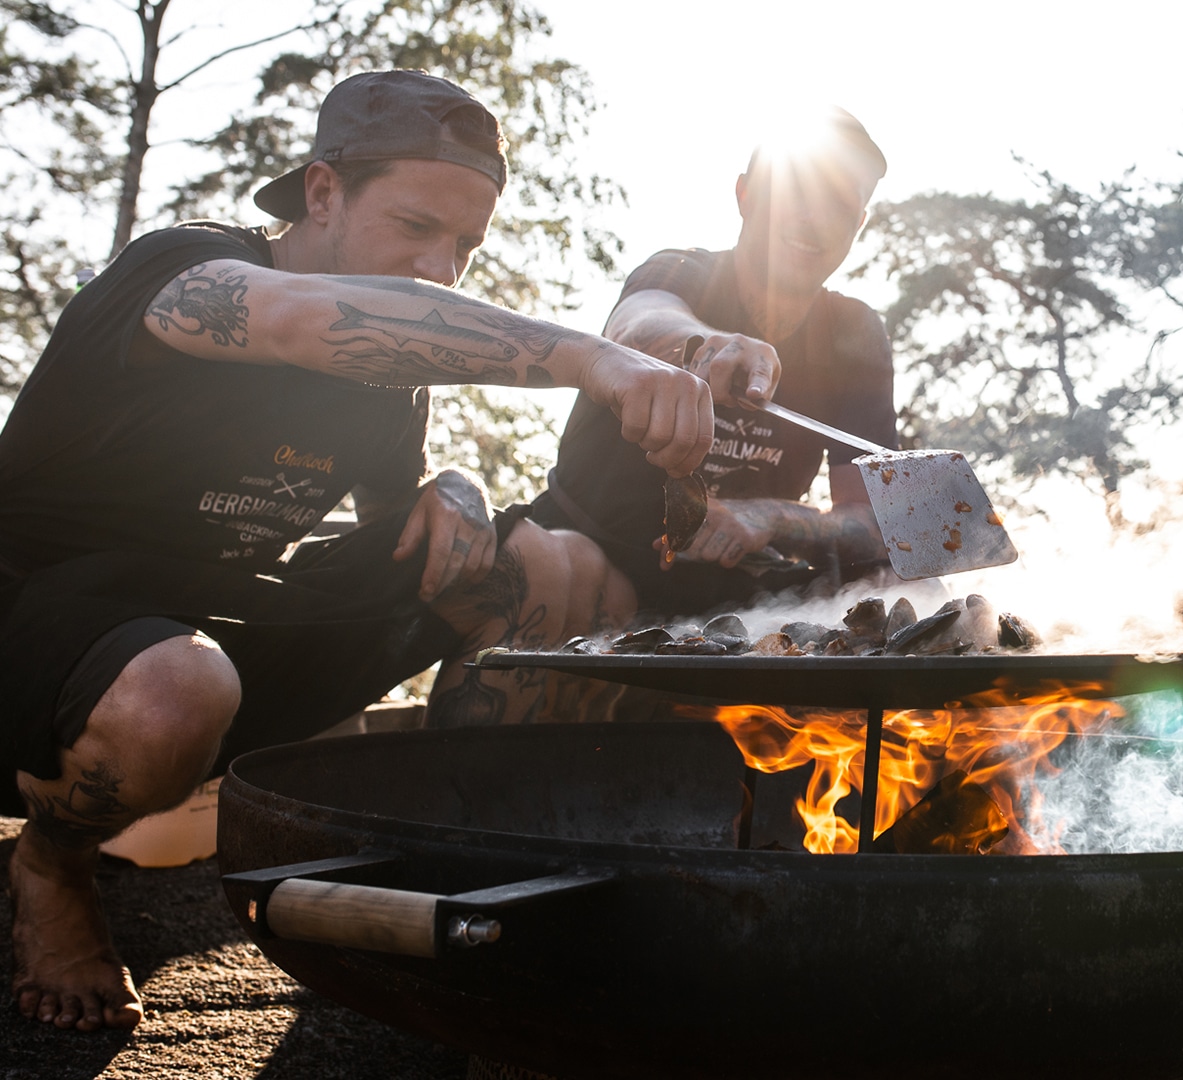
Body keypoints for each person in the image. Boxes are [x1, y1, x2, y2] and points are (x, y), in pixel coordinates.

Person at [0, 71, 768, 1032]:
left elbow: (395, 521)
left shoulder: (384, 389)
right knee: (177, 687)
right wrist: (593, 357)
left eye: (464, 245)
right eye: (414, 226)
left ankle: (474, 880)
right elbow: (301, 319)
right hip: (40, 631)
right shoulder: (182, 270)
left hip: (226, 633)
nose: (442, 268)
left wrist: (458, 489)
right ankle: (51, 862)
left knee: (537, 564)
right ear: (322, 192)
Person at [528, 107, 895, 620]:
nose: (813, 220)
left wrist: (769, 517)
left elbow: (873, 523)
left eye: (838, 204)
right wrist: (703, 344)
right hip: (594, 547)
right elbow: (637, 323)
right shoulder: (680, 270)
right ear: (745, 195)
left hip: (735, 592)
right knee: (550, 562)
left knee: (899, 584)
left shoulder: (854, 334)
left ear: (858, 223)